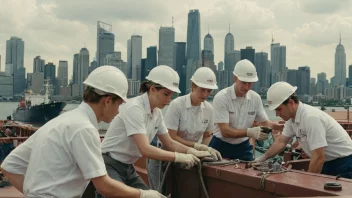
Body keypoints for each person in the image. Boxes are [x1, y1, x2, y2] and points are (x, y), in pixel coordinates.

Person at [1, 66, 164, 197]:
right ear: (108, 101)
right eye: (119, 104)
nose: (120, 111)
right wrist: (143, 194)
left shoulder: (60, 121)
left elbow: (9, 165)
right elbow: (104, 186)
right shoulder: (84, 129)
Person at [96, 65, 211, 197]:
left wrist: (193, 150)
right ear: (152, 89)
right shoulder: (135, 108)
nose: (169, 99)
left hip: (128, 167)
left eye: (171, 95)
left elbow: (170, 143)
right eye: (166, 94)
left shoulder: (156, 113)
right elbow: (145, 149)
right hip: (109, 164)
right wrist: (178, 157)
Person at [255, 81, 352, 178]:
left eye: (279, 109)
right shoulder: (292, 119)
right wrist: (261, 158)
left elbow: (319, 157)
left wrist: (308, 182)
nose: (276, 114)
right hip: (328, 162)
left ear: (291, 103)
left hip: (344, 163)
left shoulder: (310, 118)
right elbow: (281, 141)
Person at [147, 67, 222, 191]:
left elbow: (208, 135)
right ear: (193, 86)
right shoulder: (177, 105)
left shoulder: (209, 109)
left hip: (188, 158)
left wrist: (202, 153)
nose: (205, 94)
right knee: (158, 193)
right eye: (202, 89)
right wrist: (196, 148)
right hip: (163, 157)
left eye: (209, 91)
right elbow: (171, 137)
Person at [209, 59, 283, 161]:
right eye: (244, 83)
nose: (247, 87)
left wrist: (278, 126)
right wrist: (250, 132)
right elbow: (225, 131)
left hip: (243, 147)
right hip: (220, 145)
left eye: (250, 83)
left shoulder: (255, 98)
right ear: (234, 78)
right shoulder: (222, 97)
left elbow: (264, 122)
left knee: (250, 173)